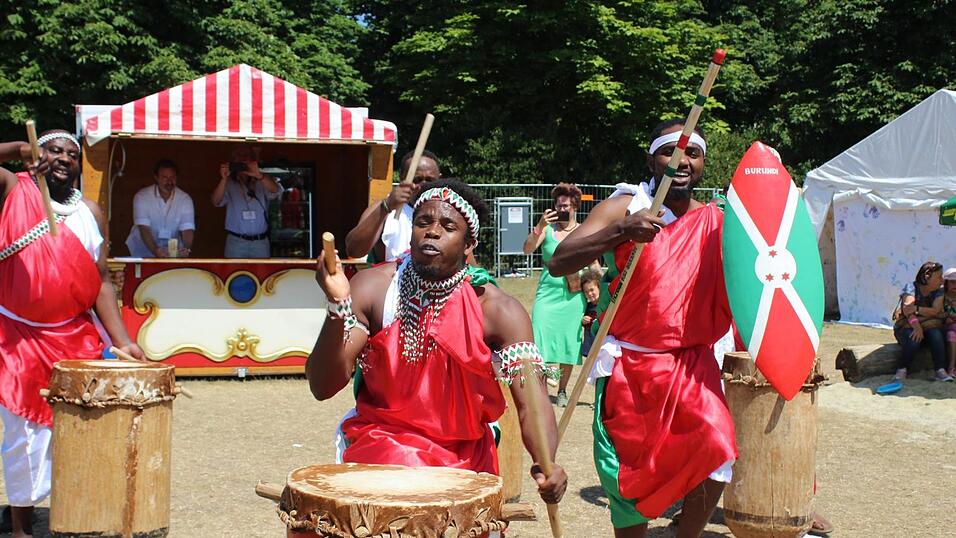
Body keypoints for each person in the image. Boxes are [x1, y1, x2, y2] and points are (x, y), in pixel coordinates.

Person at [309, 178, 567, 511]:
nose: (432, 231)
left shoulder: (498, 311)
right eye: (423, 222)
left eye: (448, 226)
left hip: (464, 458)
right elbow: (323, 385)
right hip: (381, 447)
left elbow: (530, 401)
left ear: (469, 244)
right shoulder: (375, 288)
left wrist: (547, 462)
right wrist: (336, 306)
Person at [548, 119, 735, 538]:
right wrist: (620, 231)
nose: (682, 161)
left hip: (692, 365)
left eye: (693, 153)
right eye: (671, 150)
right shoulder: (623, 207)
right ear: (652, 157)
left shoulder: (715, 221)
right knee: (627, 474)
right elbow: (559, 261)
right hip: (631, 365)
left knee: (717, 447)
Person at [0, 130, 144, 538]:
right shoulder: (15, 187)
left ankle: (78, 515)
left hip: (74, 335)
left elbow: (99, 281)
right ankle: (21, 527)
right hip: (18, 336)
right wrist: (19, 151)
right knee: (24, 436)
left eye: (72, 153)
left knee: (81, 428)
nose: (63, 158)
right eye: (53, 150)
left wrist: (123, 341)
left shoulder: (91, 212)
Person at [524, 183, 588, 407]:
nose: (562, 210)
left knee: (569, 341)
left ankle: (561, 391)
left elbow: (594, 263)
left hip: (572, 295)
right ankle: (541, 388)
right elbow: (527, 249)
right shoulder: (547, 230)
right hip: (547, 293)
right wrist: (539, 226)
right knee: (540, 335)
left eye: (566, 206)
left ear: (575, 208)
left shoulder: (584, 230)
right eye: (559, 205)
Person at [345, 150, 441, 262]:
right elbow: (354, 250)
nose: (423, 185)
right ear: (402, 177)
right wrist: (386, 207)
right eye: (417, 180)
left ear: (439, 178)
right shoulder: (384, 209)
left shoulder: (449, 212)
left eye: (430, 180)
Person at [211, 145, 280, 258]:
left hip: (260, 242)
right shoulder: (228, 183)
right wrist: (223, 179)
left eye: (246, 156)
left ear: (252, 160)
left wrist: (259, 175)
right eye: (238, 156)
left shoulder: (261, 180)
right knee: (234, 274)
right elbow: (216, 201)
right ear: (233, 161)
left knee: (262, 274)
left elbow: (275, 190)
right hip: (236, 241)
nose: (242, 159)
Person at [893, 261, 951, 382]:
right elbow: (907, 309)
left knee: (935, 334)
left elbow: (935, 310)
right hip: (906, 326)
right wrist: (917, 326)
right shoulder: (911, 287)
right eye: (939, 276)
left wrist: (917, 309)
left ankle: (940, 370)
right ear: (927, 277)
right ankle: (902, 369)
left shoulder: (939, 290)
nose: (942, 280)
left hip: (929, 326)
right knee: (914, 338)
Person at [125, 159, 195, 257]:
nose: (169, 181)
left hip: (173, 253)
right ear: (156, 178)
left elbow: (188, 229)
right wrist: (155, 250)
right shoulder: (142, 196)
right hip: (143, 251)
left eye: (172, 177)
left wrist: (187, 248)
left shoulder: (185, 199)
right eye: (165, 177)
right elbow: (144, 228)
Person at [580, 268, 603, 359]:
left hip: (603, 346)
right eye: (586, 292)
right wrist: (583, 320)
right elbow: (581, 322)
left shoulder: (606, 305)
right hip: (590, 346)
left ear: (599, 287)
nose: (589, 293)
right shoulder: (586, 307)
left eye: (592, 290)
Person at [944, 268, 956, 376]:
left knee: (953, 335)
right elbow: (937, 313)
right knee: (951, 334)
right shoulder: (941, 297)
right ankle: (951, 367)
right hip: (944, 327)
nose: (955, 285)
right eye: (952, 282)